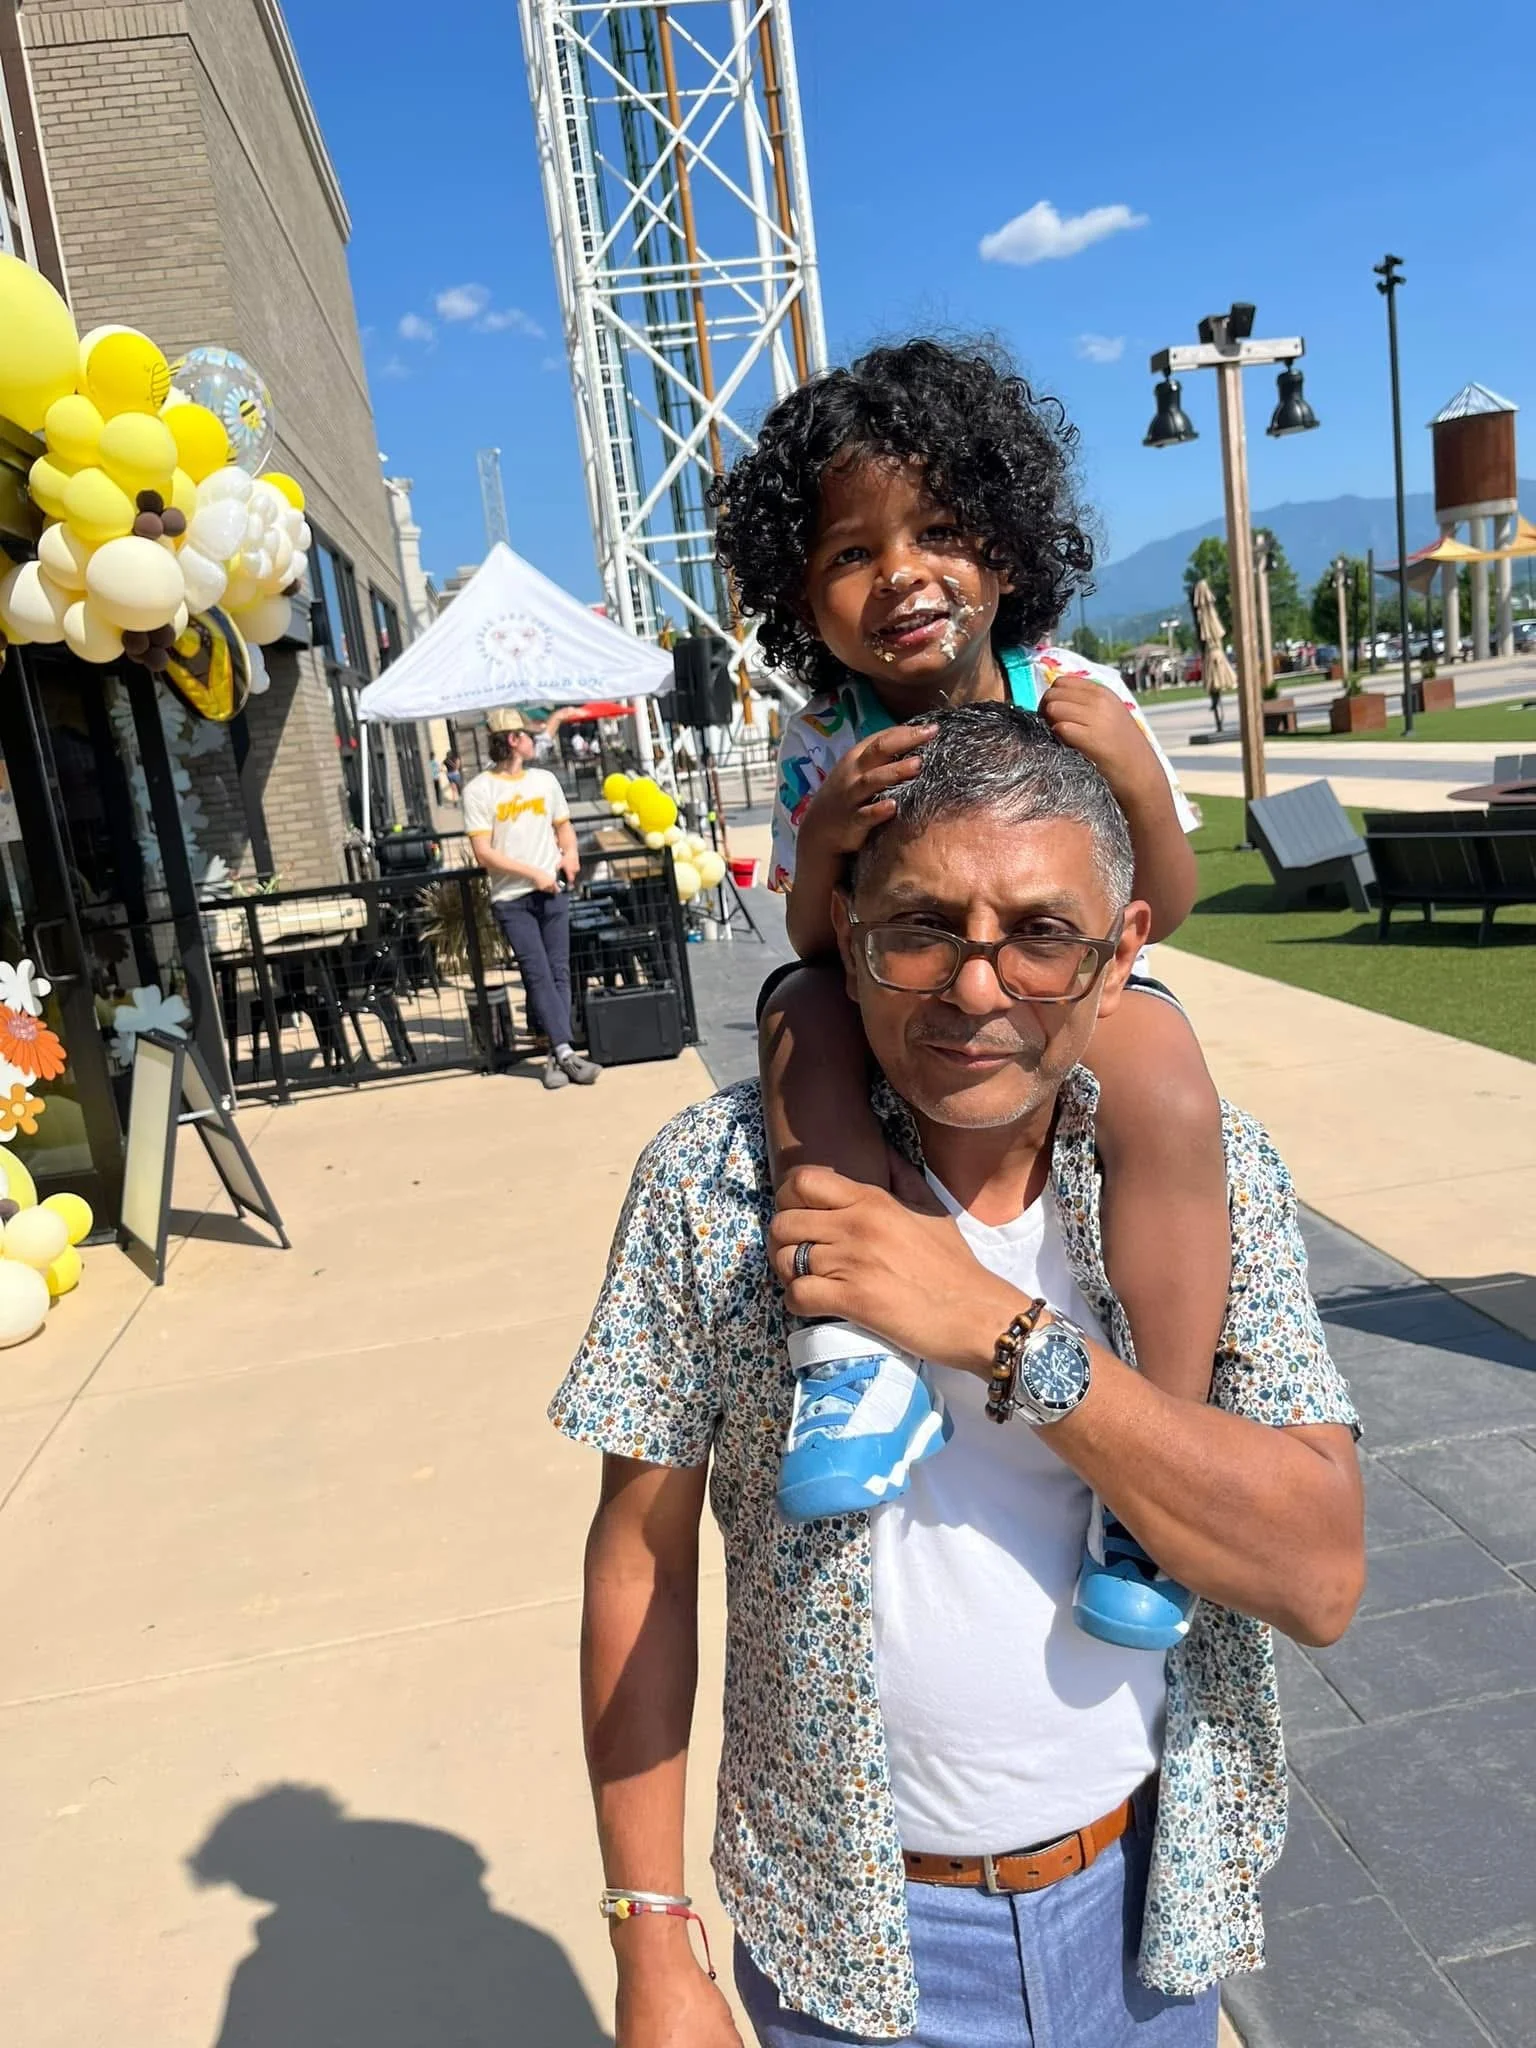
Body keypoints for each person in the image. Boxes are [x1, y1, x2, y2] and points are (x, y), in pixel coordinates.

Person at [551, 704, 1364, 2047]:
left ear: (1122, 958)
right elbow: (640, 1559)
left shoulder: (1207, 1183)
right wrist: (650, 1936)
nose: (978, 989)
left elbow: (1318, 1574)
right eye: (920, 930)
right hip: (851, 1949)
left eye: (1042, 934)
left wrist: (999, 1331)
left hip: (1148, 1916)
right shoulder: (712, 1183)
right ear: (846, 939)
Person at [709, 338, 1227, 1652]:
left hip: (1070, 994)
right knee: (792, 1012)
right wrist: (823, 836)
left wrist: (1132, 775)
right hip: (893, 1004)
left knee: (1165, 1065)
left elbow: (1168, 893)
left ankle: (1162, 1460)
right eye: (849, 552)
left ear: (1004, 549)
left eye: (939, 529)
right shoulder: (824, 740)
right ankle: (858, 1367)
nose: (900, 575)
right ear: (800, 597)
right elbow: (815, 937)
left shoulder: (1072, 696)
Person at [462, 729, 599, 1090]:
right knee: (536, 971)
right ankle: (566, 1053)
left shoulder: (544, 780)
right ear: (512, 740)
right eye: (527, 735)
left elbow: (563, 828)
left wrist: (570, 855)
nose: (534, 741)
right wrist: (533, 873)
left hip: (553, 889)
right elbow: (484, 852)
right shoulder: (479, 790)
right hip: (512, 897)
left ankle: (558, 1053)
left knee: (558, 970)